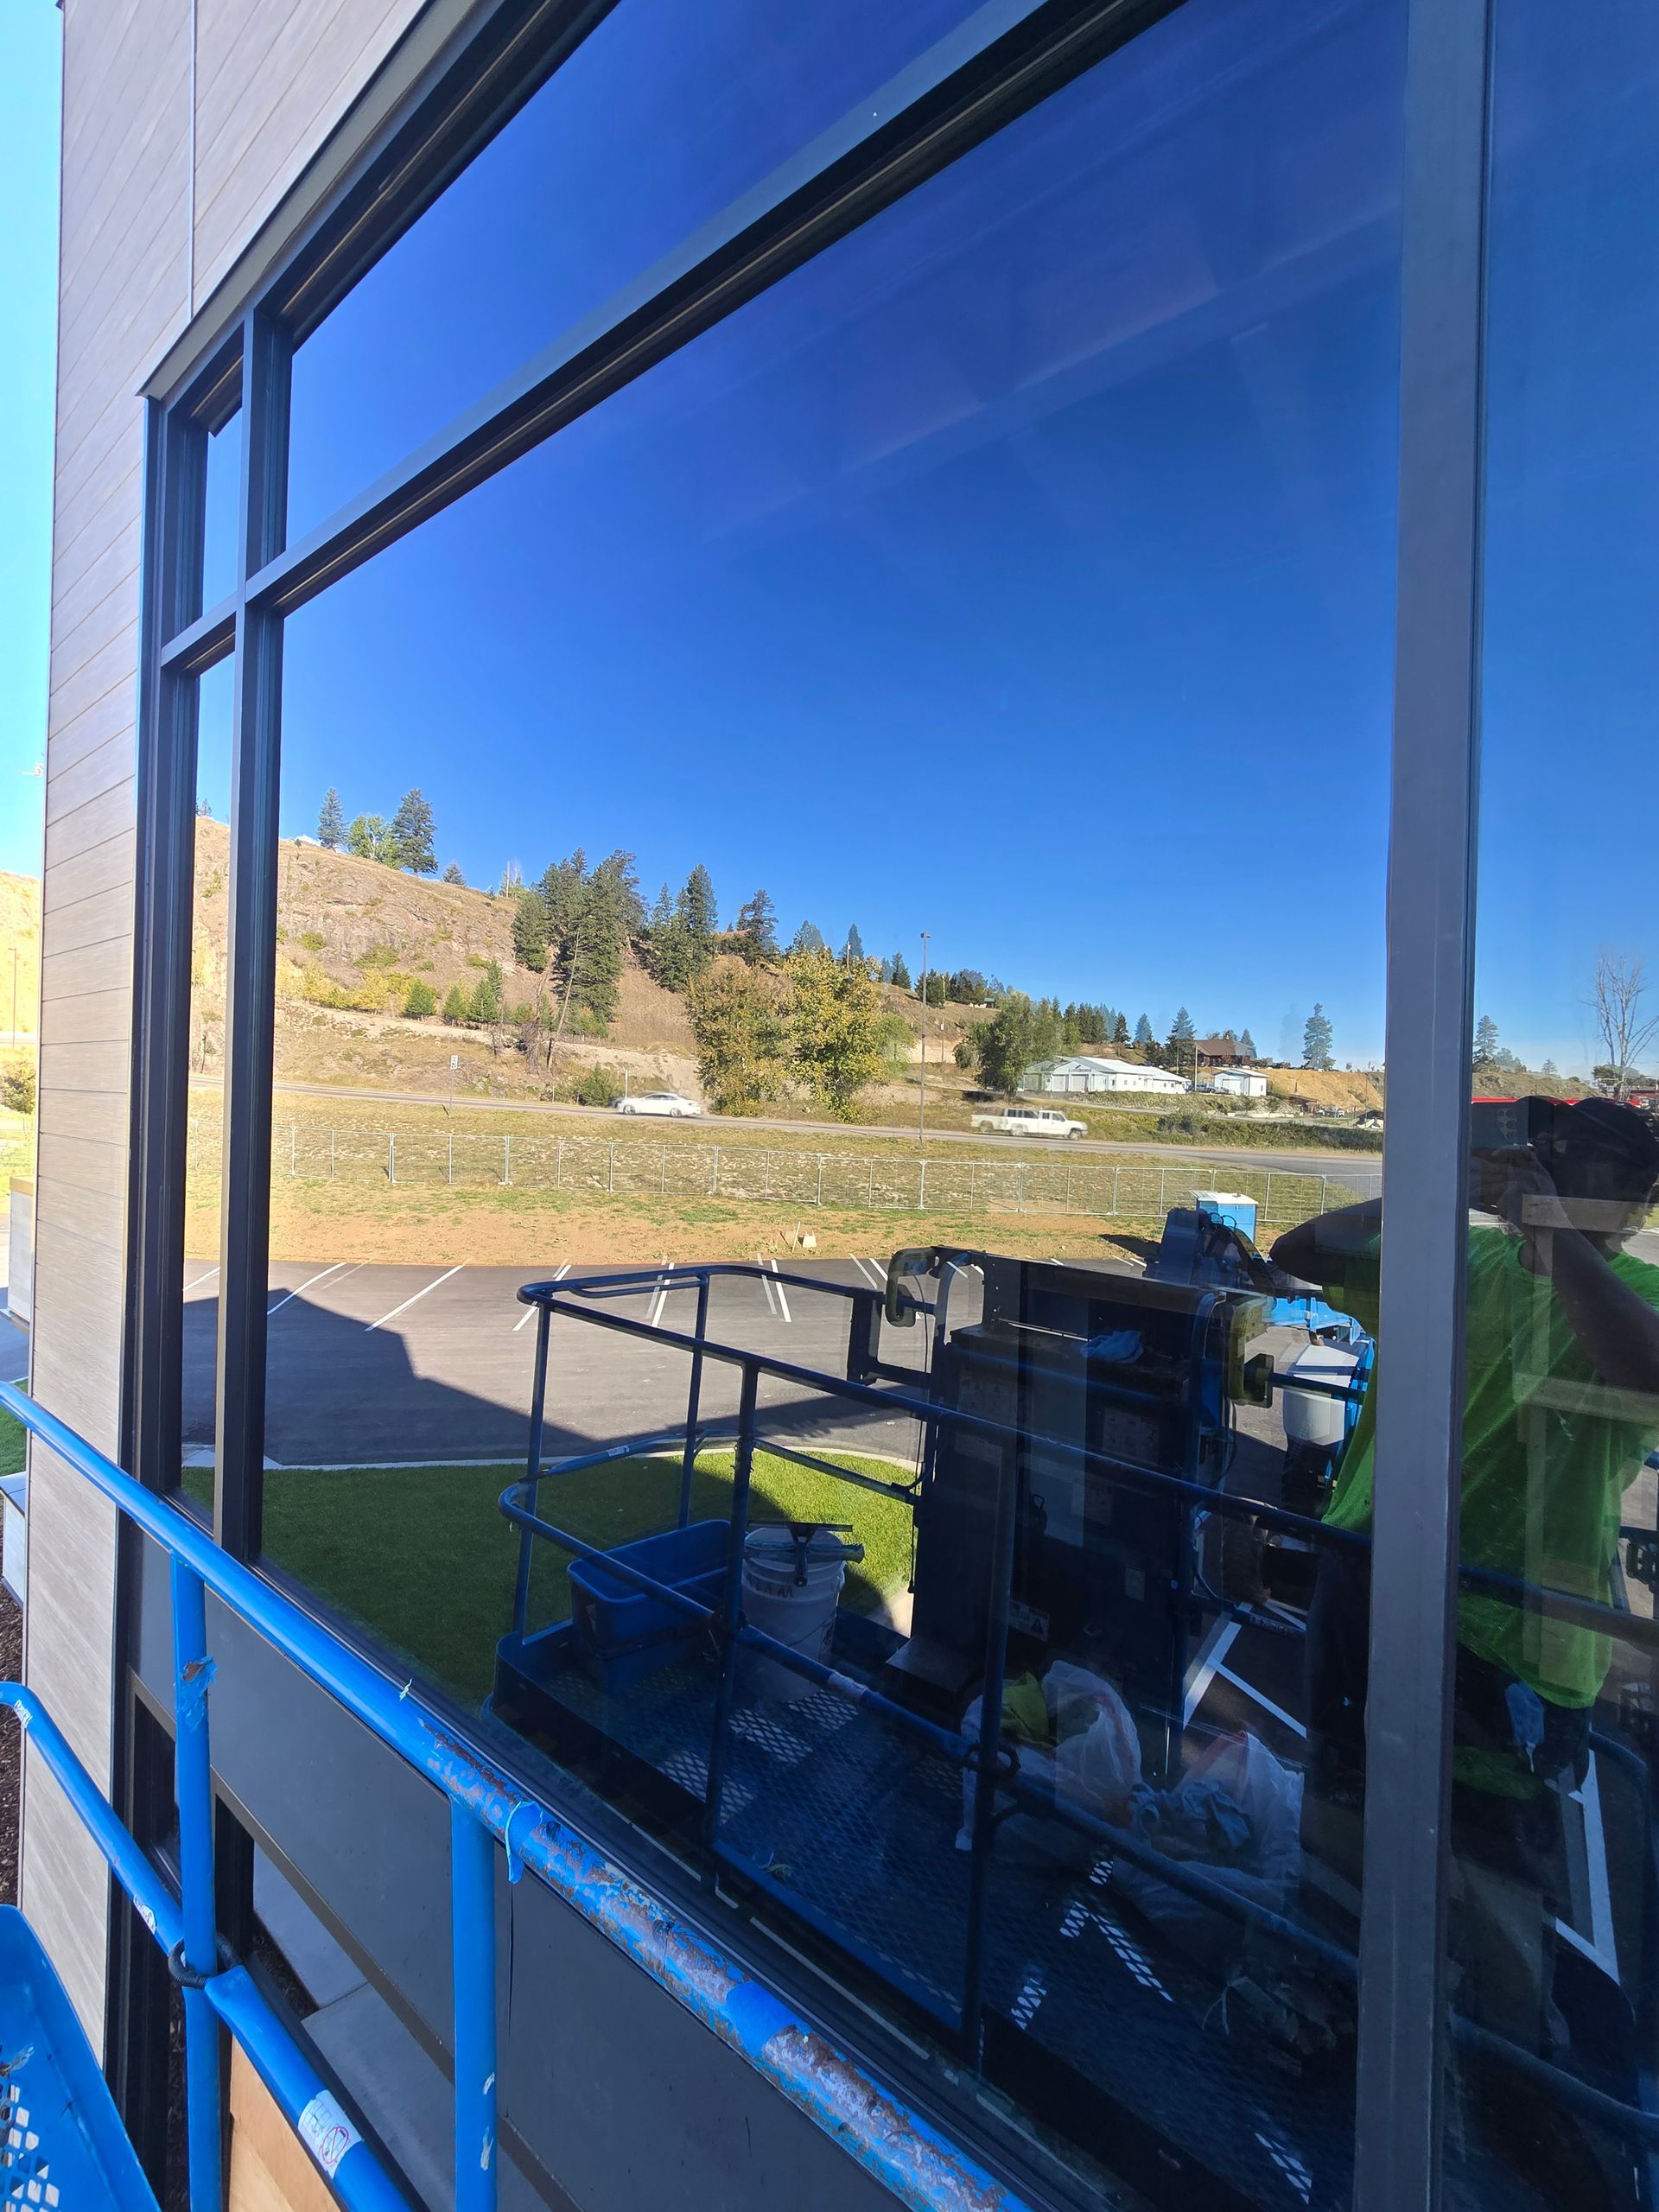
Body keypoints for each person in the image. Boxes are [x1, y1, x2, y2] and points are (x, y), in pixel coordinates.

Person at [1272, 1097, 1659, 2060]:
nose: (1566, 1174)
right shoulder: (1461, 1265)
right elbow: (1298, 1253)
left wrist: (1556, 1236)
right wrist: (1426, 1184)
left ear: (1641, 1207)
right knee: (1341, 1811)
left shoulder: (1639, 1294)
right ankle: (1317, 2008)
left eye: (1599, 1171)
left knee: (1490, 1877)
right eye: (1558, 1155)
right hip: (1370, 1586)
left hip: (1517, 1637)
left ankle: (1495, 2084)